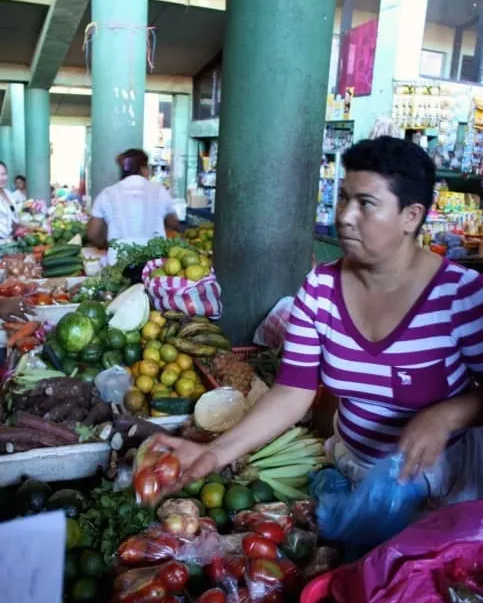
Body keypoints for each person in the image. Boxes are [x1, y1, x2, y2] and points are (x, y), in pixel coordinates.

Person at [155, 136, 483, 505]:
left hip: (441, 489)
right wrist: (213, 454)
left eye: (366, 204)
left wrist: (446, 415)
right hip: (356, 472)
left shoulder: (461, 295)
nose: (344, 215)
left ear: (411, 216)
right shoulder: (320, 290)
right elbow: (293, 393)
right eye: (343, 197)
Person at [87, 149, 180, 264]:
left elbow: (92, 234)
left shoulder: (107, 194)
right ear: (143, 168)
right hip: (154, 266)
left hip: (118, 265)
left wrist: (106, 244)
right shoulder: (160, 191)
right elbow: (174, 223)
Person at [0, 162, 18, 240]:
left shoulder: (8, 193)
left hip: (10, 240)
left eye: (3, 174)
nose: (1, 178)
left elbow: (12, 214)